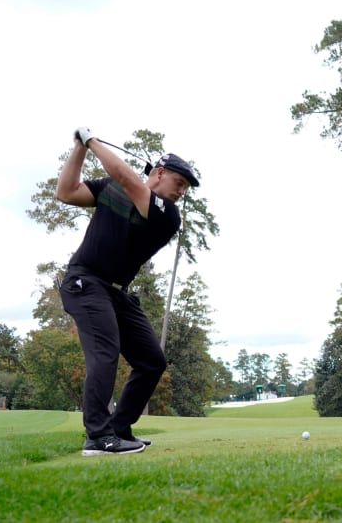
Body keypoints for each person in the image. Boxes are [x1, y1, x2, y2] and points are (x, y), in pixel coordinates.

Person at [56, 126, 199, 456]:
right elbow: (66, 192)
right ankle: (98, 436)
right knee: (105, 353)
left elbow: (125, 176)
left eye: (186, 188)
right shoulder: (110, 189)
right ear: (160, 173)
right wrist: (79, 147)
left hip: (116, 292)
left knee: (151, 360)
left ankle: (119, 428)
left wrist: (90, 141)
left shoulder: (167, 214)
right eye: (179, 183)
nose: (182, 192)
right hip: (84, 282)